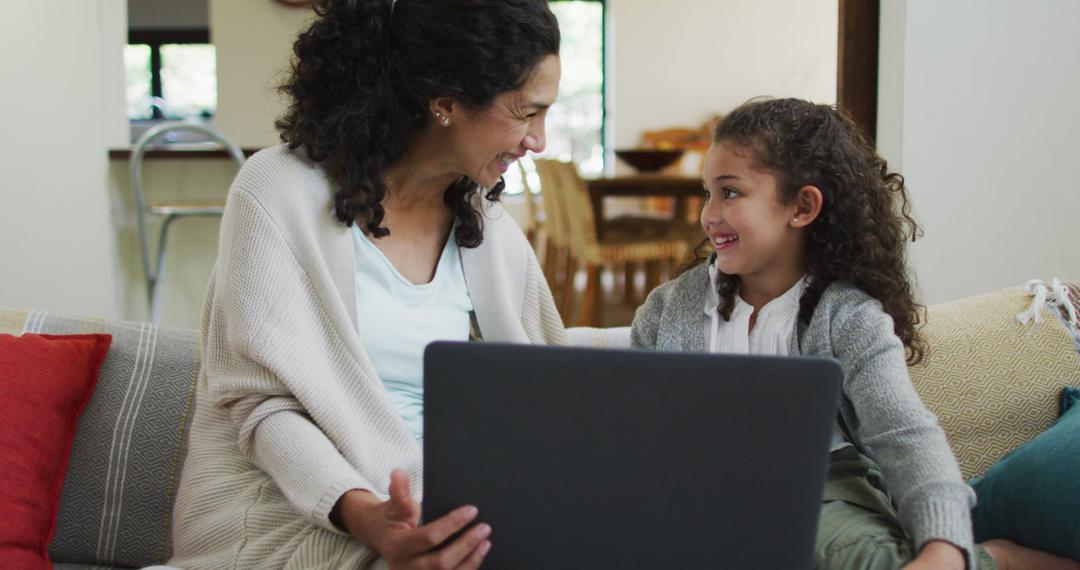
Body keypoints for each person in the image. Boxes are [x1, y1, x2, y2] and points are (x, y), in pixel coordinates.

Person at [167, 0, 565, 568]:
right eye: (527, 113)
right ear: (446, 103)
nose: (539, 141)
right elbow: (263, 408)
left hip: (445, 509)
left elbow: (553, 385)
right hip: (301, 509)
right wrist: (367, 515)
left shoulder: (488, 227)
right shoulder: (279, 192)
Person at [630, 98, 1080, 570]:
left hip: (821, 485)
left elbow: (904, 434)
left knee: (841, 556)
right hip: (698, 491)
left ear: (802, 206)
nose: (708, 215)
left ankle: (995, 560)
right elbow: (634, 429)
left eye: (731, 193)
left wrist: (944, 546)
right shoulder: (669, 309)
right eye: (707, 193)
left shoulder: (847, 316)